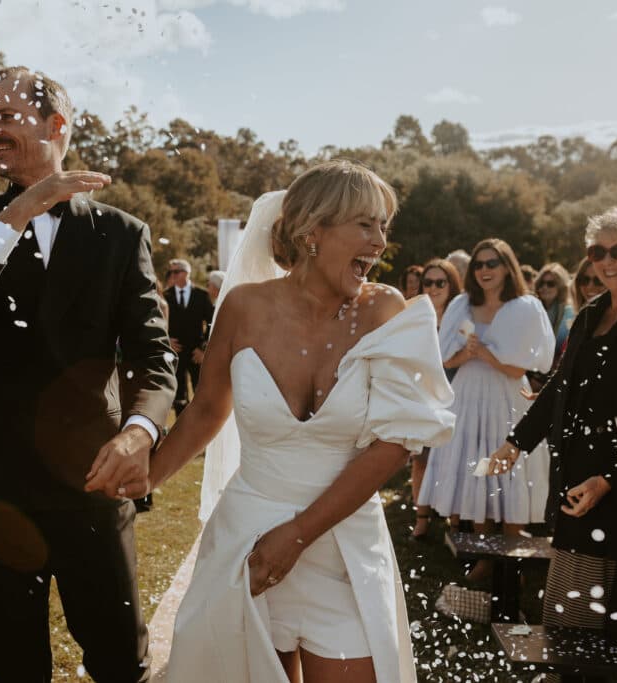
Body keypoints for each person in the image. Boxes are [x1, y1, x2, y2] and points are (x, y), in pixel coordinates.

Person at [89, 161, 455, 682]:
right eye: (365, 224)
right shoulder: (244, 306)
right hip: (247, 544)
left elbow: (395, 445)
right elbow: (208, 409)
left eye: (382, 226)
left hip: (344, 546)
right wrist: (146, 477)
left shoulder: (385, 310)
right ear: (312, 232)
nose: (379, 241)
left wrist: (299, 535)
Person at [0, 66, 175, 682]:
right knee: (16, 667)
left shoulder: (120, 234)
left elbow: (153, 356)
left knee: (120, 660)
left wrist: (138, 432)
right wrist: (21, 210)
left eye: (7, 116)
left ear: (56, 124)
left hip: (93, 481)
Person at [490, 207, 617, 669]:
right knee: (613, 622)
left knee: (575, 621)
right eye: (597, 252)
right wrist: (516, 442)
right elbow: (559, 386)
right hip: (577, 480)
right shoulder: (593, 312)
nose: (607, 261)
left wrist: (609, 479)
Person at [416, 238, 555, 582]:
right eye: (478, 264)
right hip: (468, 394)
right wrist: (466, 354)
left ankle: (513, 559)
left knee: (509, 471)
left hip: (507, 395)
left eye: (492, 263)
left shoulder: (525, 307)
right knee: (476, 469)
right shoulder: (461, 304)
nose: (484, 270)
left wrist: (487, 355)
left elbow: (521, 367)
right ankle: (485, 556)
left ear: (507, 267)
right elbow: (445, 359)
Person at [410, 258, 462, 539]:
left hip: (456, 394)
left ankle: (454, 521)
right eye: (427, 282)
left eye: (440, 282)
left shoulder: (461, 317)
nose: (433, 287)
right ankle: (422, 517)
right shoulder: (417, 317)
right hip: (424, 395)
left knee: (452, 460)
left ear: (451, 284)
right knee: (421, 460)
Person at [163, 259, 213, 413]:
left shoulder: (202, 295)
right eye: (171, 272)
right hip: (175, 353)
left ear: (186, 273)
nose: (172, 275)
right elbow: (158, 322)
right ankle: (181, 425)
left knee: (201, 393)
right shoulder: (165, 296)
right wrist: (166, 340)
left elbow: (211, 323)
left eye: (176, 272)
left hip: (196, 354)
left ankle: (203, 423)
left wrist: (203, 348)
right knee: (179, 397)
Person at [534, 262, 575, 359]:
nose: (544, 287)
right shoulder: (533, 308)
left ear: (561, 287)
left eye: (550, 284)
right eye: (541, 283)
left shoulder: (569, 312)